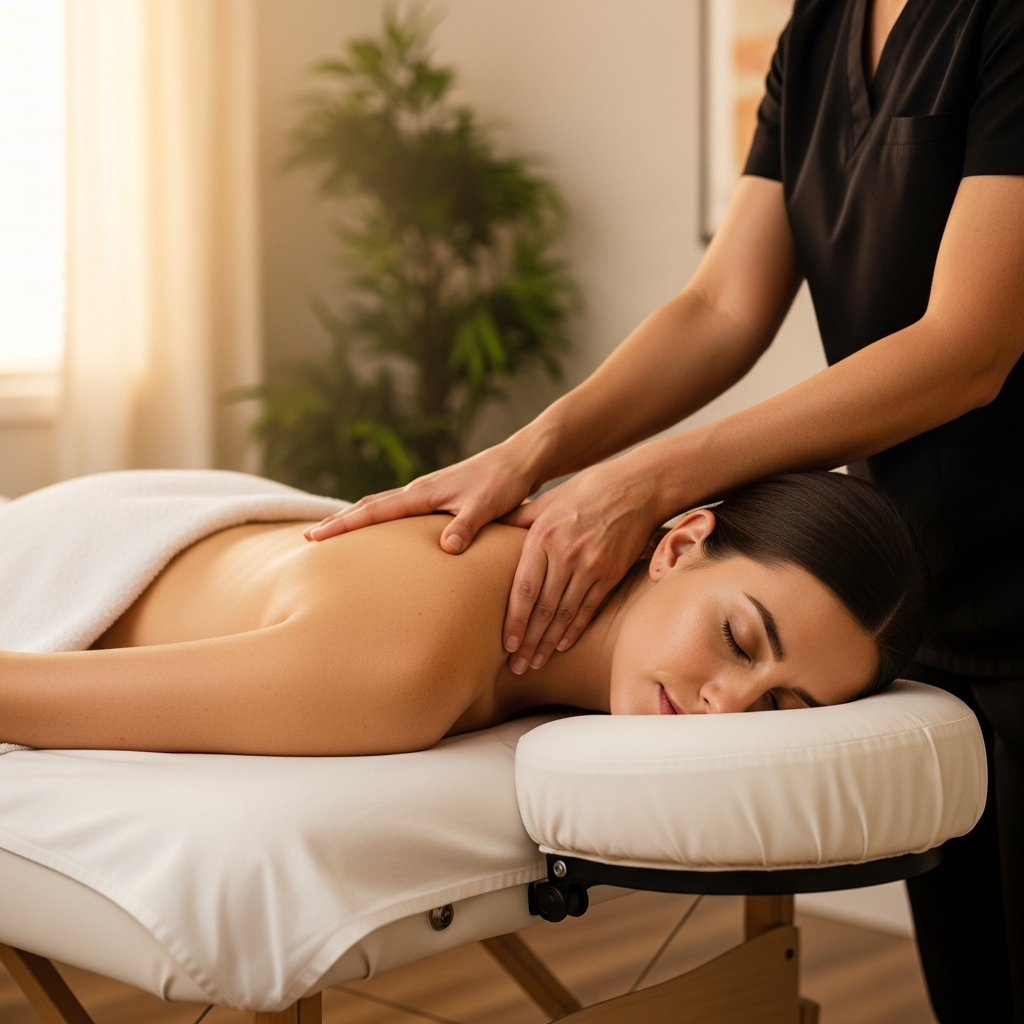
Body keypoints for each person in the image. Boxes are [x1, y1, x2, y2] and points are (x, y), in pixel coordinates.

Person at [303, 1, 1024, 1019]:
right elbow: (722, 305)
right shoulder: (818, 30)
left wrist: (654, 479)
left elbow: (967, 345)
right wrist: (526, 453)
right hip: (903, 596)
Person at [0, 471, 924, 756]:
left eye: (779, 708)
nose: (729, 701)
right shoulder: (401, 668)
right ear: (677, 543)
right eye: (739, 639)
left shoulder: (524, 608)